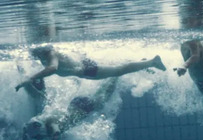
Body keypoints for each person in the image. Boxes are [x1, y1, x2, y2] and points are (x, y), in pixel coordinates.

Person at [24, 78, 119, 140]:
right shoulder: (45, 123)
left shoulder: (50, 123)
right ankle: (110, 77)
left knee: (102, 100)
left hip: (81, 108)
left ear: (40, 130)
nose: (38, 139)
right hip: (76, 106)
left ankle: (116, 75)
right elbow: (25, 130)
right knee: (100, 95)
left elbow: (56, 133)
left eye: (37, 137)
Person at [15, 45, 165, 92]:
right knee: (116, 66)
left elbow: (53, 68)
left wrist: (30, 78)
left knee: (118, 70)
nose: (32, 55)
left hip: (85, 70)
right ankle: (141, 63)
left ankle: (152, 62)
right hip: (84, 64)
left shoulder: (50, 54)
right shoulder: (45, 54)